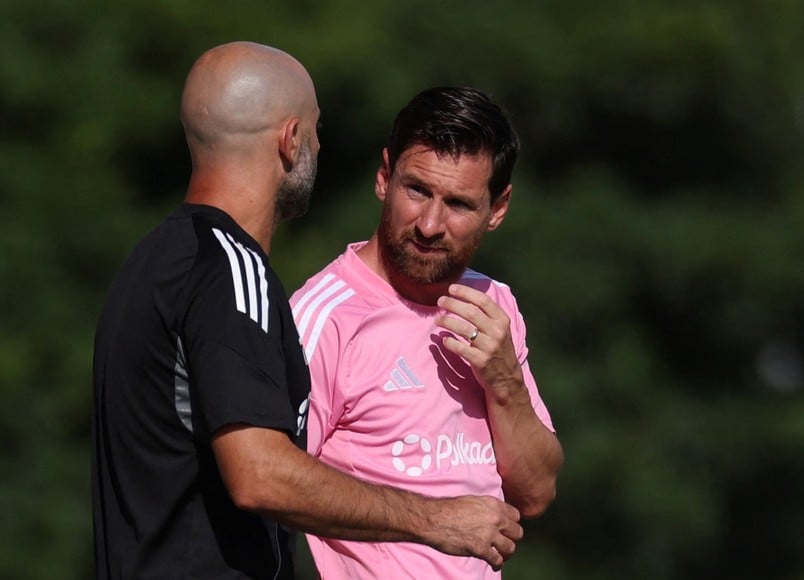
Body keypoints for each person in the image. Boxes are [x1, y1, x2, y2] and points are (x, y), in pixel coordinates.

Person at [92, 44, 525, 580]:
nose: (319, 145)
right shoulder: (232, 273)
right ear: (291, 139)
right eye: (317, 130)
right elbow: (260, 474)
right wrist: (435, 520)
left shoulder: (154, 259)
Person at [290, 86, 564, 579]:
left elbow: (537, 492)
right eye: (417, 190)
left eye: (458, 203)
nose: (430, 224)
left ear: (497, 209)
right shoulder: (325, 317)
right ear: (383, 176)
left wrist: (504, 384)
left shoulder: (493, 306)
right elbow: (275, 482)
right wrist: (435, 521)